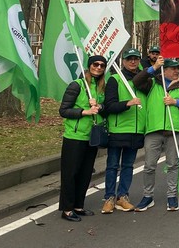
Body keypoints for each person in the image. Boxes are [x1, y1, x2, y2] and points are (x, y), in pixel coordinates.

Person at [133, 57, 179, 212]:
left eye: (177, 68)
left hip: (174, 130)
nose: (176, 71)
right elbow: (136, 81)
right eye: (173, 68)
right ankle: (148, 196)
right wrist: (153, 67)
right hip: (153, 130)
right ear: (164, 70)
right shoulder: (152, 83)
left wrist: (176, 102)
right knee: (149, 165)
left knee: (173, 165)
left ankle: (171, 196)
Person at [58, 55, 108, 221]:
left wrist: (100, 106)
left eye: (102, 65)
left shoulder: (102, 88)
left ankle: (79, 206)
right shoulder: (77, 85)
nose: (98, 67)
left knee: (86, 173)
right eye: (95, 64)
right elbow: (64, 110)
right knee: (71, 173)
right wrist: (84, 111)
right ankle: (67, 209)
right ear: (89, 65)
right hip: (74, 136)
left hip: (92, 136)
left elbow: (105, 108)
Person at [101, 49, 146, 214]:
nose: (133, 62)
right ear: (123, 61)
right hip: (118, 129)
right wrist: (127, 103)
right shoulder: (115, 79)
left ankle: (123, 196)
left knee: (128, 166)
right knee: (112, 166)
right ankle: (109, 197)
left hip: (136, 130)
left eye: (135, 59)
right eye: (129, 59)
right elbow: (110, 105)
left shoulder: (144, 80)